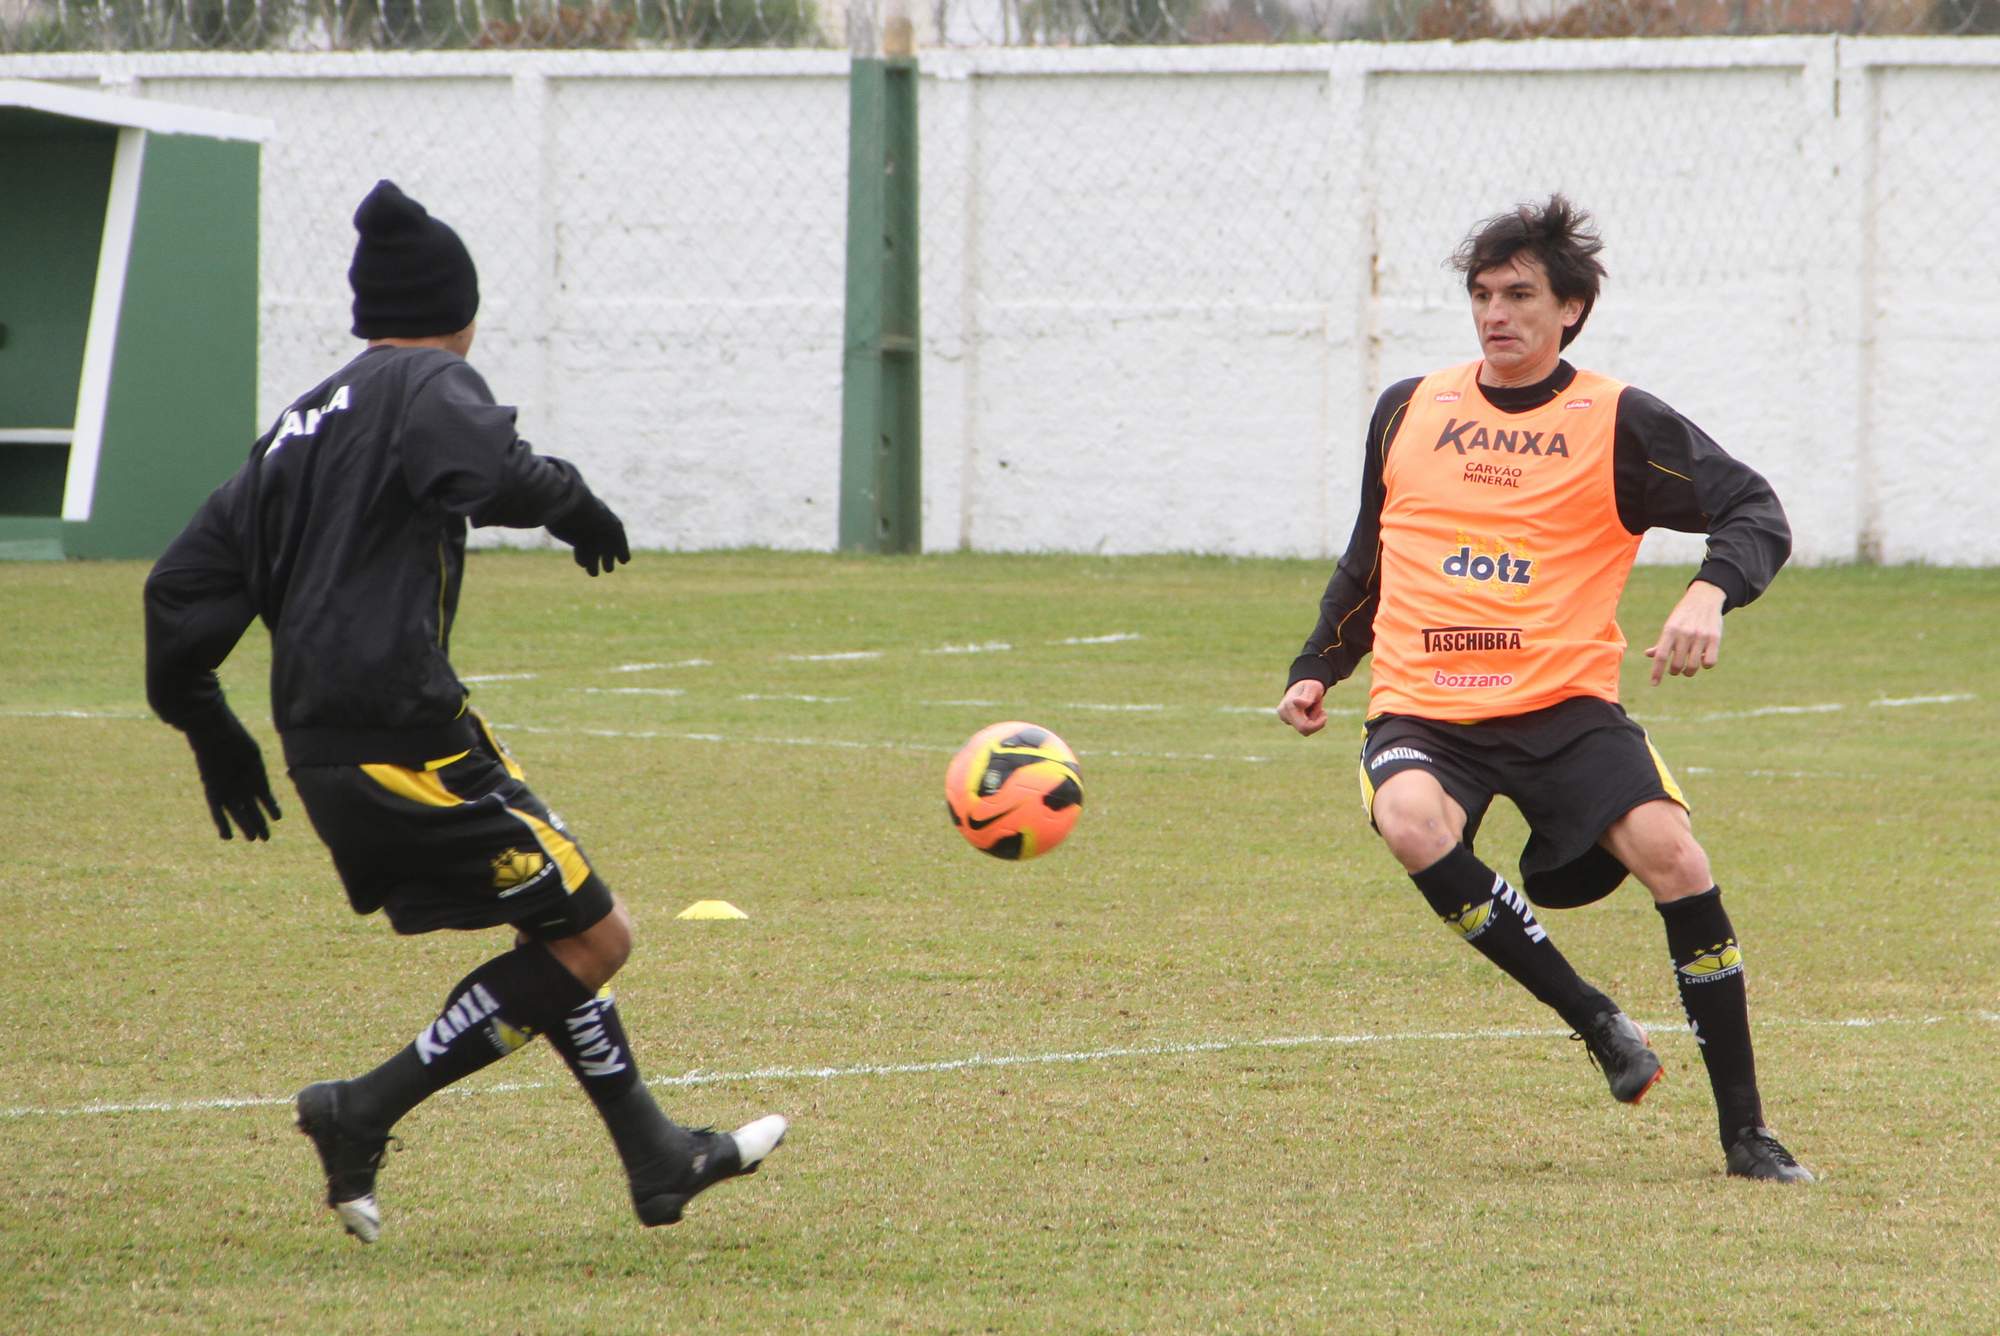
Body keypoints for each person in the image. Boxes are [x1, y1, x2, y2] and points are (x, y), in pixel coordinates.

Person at [144, 180, 787, 1243]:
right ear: (461, 311)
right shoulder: (429, 376)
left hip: (331, 749)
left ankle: (655, 1157)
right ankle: (361, 1108)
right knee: (598, 938)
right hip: (406, 744)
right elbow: (480, 462)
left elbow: (178, 590)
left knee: (554, 929)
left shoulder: (298, 425)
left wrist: (206, 719)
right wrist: (572, 501)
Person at [1278, 196, 1811, 1183]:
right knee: (1409, 821)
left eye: (1520, 295)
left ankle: (1747, 1134)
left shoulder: (1616, 420)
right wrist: (1317, 665)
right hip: (1424, 704)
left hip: (1564, 707)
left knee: (1675, 856)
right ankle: (1595, 1020)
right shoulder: (1408, 409)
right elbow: (1369, 558)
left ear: (1570, 308)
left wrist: (1709, 590)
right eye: (1482, 294)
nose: (1496, 313)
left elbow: (1752, 508)